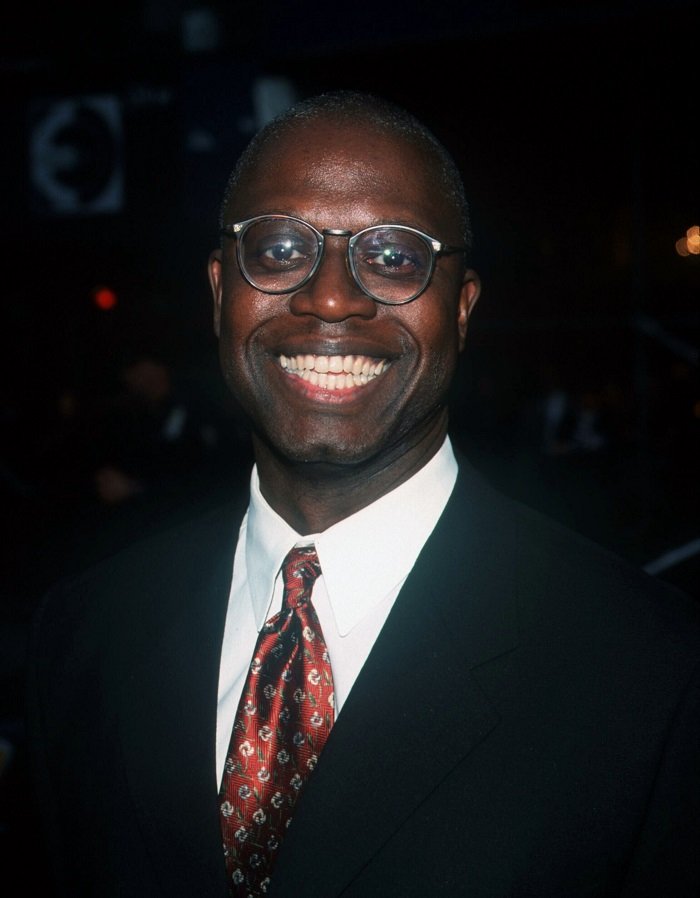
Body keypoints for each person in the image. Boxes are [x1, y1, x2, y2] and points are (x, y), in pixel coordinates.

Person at [27, 91, 700, 897]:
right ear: (218, 293)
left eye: (393, 257)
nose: (332, 296)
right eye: (278, 248)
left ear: (461, 308)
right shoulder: (82, 633)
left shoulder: (652, 670)